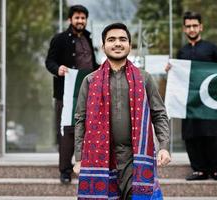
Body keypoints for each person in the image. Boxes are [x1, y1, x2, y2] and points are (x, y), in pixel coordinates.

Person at [73, 23, 171, 200]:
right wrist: (79, 157)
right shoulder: (90, 80)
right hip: (100, 157)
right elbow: (81, 119)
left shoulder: (144, 78)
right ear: (103, 47)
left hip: (136, 157)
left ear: (130, 45)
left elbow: (159, 114)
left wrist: (164, 146)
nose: (117, 43)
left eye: (122, 39)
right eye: (111, 40)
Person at [166, 11, 217, 183]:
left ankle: (216, 170)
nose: (192, 29)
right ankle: (199, 170)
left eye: (195, 25)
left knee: (212, 135)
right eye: (188, 26)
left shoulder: (211, 48)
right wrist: (171, 70)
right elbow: (179, 77)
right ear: (184, 29)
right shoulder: (182, 52)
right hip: (190, 103)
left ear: (201, 27)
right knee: (192, 135)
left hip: (209, 102)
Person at [45, 5, 98, 184]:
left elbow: (93, 64)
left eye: (83, 18)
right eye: (77, 18)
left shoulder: (89, 38)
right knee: (67, 131)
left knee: (88, 129)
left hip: (88, 93)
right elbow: (49, 61)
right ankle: (65, 171)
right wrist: (58, 69)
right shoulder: (59, 39)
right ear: (70, 20)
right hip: (66, 94)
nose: (80, 21)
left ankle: (85, 165)